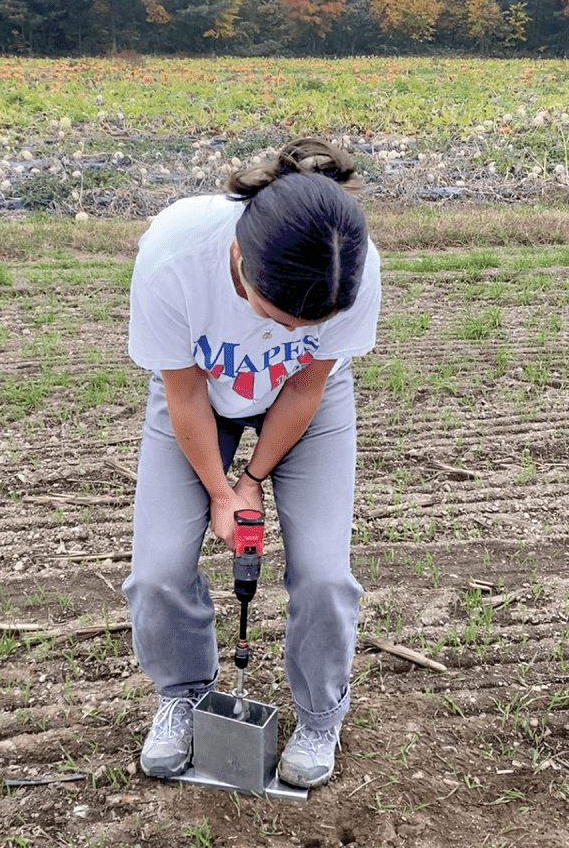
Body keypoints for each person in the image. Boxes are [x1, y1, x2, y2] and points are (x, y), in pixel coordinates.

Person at [121, 138, 382, 789]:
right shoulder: (175, 253)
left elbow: (305, 386)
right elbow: (182, 393)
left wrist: (253, 478)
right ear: (241, 262)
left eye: (309, 326)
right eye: (280, 320)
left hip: (304, 404)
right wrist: (218, 488)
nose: (295, 337)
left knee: (323, 575)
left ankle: (321, 715)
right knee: (155, 573)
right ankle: (183, 693)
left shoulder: (351, 264)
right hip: (201, 392)